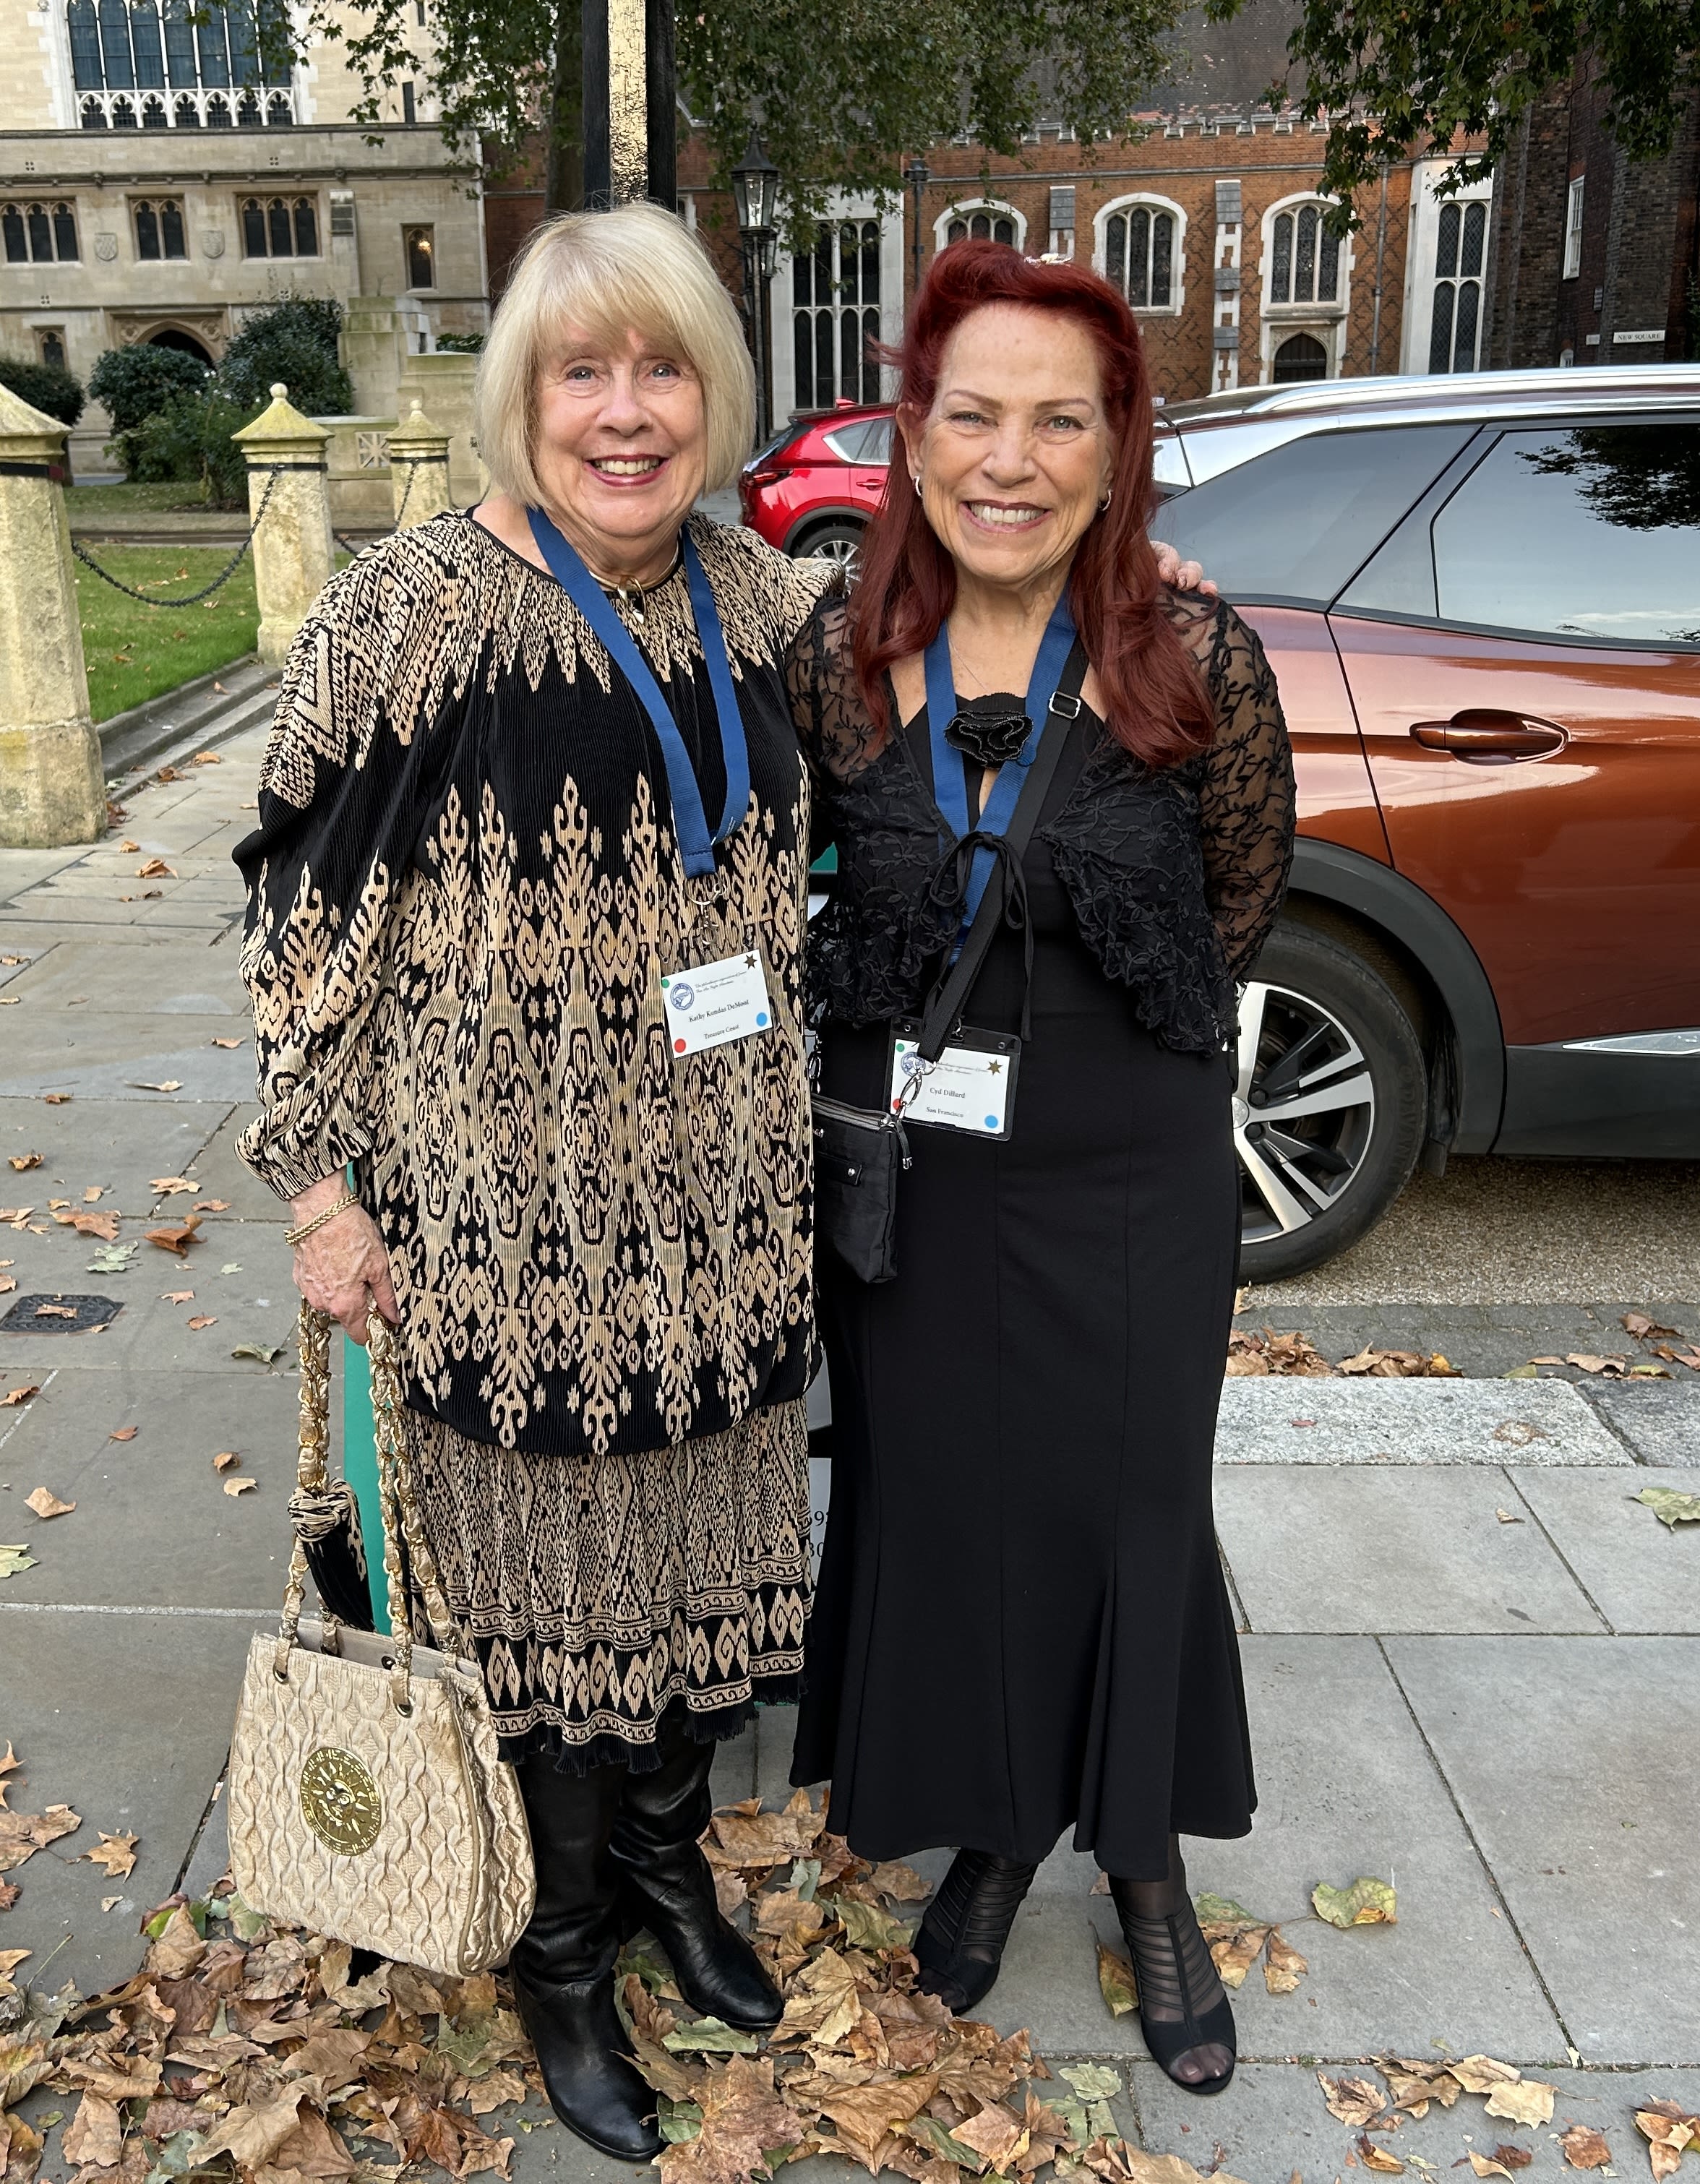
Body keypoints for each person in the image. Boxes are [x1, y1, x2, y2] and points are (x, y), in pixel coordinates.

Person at [233, 202, 833, 2163]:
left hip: (726, 1226)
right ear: (523, 396)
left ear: (716, 394)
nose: (630, 410)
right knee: (555, 1616)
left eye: (665, 367)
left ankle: (667, 1878)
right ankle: (561, 1951)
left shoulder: (752, 601)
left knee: (687, 1587)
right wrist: (321, 1196)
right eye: (586, 370)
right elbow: (296, 920)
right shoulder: (414, 616)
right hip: (503, 1239)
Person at [787, 241, 1295, 2096]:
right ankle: (999, 1822)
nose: (1011, 456)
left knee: (1134, 1500)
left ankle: (1144, 1857)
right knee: (955, 1501)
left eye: (1057, 418)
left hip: (1131, 1166)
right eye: (973, 412)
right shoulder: (836, 648)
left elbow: (1245, 898)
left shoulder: (1193, 647)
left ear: (1115, 444)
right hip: (912, 1173)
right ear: (914, 439)